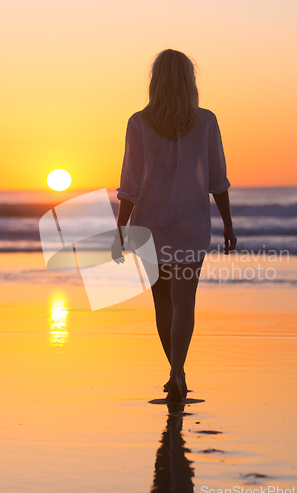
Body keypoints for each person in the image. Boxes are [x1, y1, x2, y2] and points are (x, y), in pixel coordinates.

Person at [114, 49, 237, 403]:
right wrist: (228, 224)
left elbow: (131, 185)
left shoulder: (139, 122)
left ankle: (176, 372)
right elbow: (217, 180)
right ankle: (178, 371)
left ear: (156, 81)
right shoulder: (206, 121)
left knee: (162, 303)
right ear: (189, 80)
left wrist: (121, 229)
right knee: (185, 301)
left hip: (150, 224)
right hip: (190, 223)